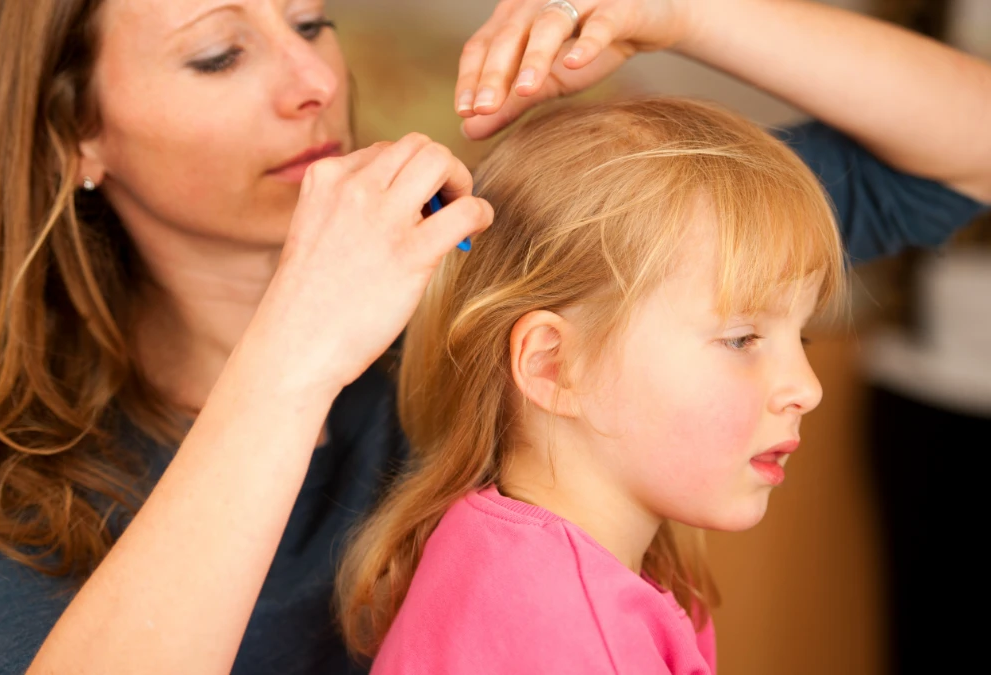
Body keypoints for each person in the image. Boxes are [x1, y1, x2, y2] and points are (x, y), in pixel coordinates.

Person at [0, 1, 987, 674]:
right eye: (219, 55)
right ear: (76, 132)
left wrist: (681, 11)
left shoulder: (480, 284)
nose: (314, 81)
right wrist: (294, 356)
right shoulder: (34, 477)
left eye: (311, 22)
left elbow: (968, 152)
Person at [337, 96, 848, 674]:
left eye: (802, 337)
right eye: (741, 339)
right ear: (554, 366)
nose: (807, 389)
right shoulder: (573, 637)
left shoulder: (491, 552)